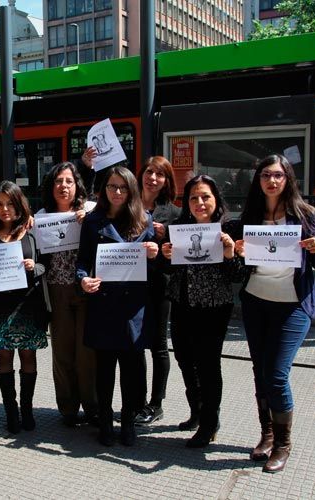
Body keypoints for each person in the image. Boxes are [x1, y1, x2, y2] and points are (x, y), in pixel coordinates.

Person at [233, 154, 315, 473]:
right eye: (265, 175)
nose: (271, 181)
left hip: (292, 306)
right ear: (258, 180)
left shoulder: (306, 215)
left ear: (288, 178)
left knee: (276, 375)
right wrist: (235, 250)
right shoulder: (251, 216)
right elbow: (236, 259)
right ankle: (267, 434)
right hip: (256, 301)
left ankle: (283, 444)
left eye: (278, 175)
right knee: (260, 371)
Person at [76, 166, 159, 447]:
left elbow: (158, 267)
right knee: (105, 370)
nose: (117, 192)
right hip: (104, 306)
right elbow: (82, 262)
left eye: (123, 187)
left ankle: (127, 422)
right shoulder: (93, 221)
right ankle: (105, 423)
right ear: (104, 190)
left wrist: (155, 253)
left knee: (132, 369)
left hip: (133, 307)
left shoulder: (145, 221)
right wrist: (83, 280)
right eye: (112, 186)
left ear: (132, 190)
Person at [161, 175, 243, 447]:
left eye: (205, 196)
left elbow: (238, 275)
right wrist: (166, 256)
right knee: (185, 360)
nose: (199, 202)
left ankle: (210, 422)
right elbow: (168, 271)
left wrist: (230, 252)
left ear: (216, 198)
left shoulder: (230, 227)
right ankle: (196, 411)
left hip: (214, 306)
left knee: (208, 365)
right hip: (183, 303)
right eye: (193, 197)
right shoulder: (179, 227)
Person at [0, 181, 48, 433]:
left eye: (9, 203)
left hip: (28, 305)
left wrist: (34, 267)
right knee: (4, 357)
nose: (4, 209)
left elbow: (45, 266)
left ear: (19, 205)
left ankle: (27, 410)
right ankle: (10, 411)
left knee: (29, 356)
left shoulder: (32, 232)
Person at [36, 162, 98, 427]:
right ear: (52, 187)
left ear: (77, 185)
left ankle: (93, 407)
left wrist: (91, 221)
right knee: (62, 352)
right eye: (58, 181)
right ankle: (68, 408)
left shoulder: (91, 210)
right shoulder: (41, 215)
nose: (63, 186)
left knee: (88, 353)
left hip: (85, 290)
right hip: (56, 290)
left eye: (69, 181)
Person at [134, 156, 180, 426]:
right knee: (135, 344)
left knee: (159, 346)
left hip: (161, 285)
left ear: (166, 181)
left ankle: (156, 403)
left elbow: (181, 256)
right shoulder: (128, 206)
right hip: (131, 283)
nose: (153, 178)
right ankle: (137, 401)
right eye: (149, 172)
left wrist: (165, 239)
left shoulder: (174, 214)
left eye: (160, 175)